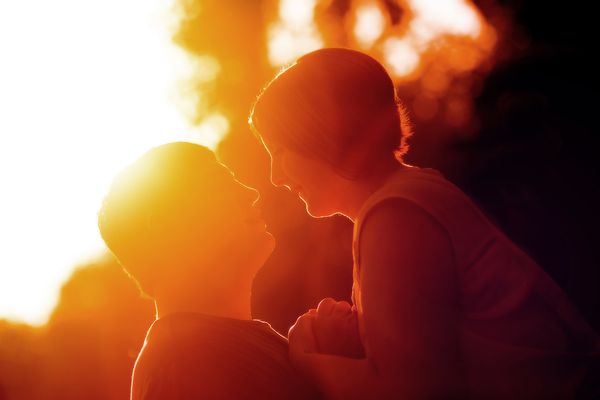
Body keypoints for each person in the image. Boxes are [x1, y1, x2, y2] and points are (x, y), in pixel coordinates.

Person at [249, 48, 600, 399]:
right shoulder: (403, 200)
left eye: (279, 151)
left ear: (318, 132)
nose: (275, 176)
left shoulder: (397, 215)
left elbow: (411, 389)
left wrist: (304, 359)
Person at [97, 142, 320, 400]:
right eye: (221, 181)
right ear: (166, 226)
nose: (251, 193)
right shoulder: (184, 367)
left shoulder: (223, 346)